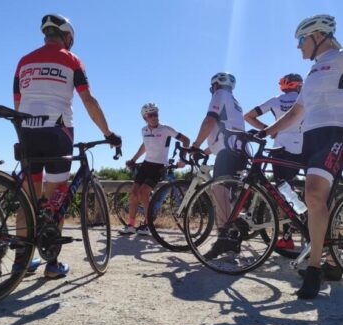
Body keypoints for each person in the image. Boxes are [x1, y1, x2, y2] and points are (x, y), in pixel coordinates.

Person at [13, 14, 121, 278]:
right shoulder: (72, 60)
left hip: (27, 130)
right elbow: (88, 100)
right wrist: (108, 133)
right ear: (68, 37)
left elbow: (18, 101)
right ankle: (52, 264)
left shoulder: (24, 61)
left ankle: (21, 263)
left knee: (27, 198)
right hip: (58, 133)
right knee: (56, 198)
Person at [259, 14, 343, 298]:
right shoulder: (314, 71)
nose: (298, 47)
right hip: (312, 135)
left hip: (335, 133)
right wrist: (265, 131)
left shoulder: (342, 58)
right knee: (306, 195)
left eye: (300, 40)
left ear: (318, 36)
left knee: (315, 194)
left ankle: (315, 270)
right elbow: (297, 111)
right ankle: (331, 260)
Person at [244, 73, 303, 249]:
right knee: (309, 188)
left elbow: (248, 116)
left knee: (283, 191)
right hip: (305, 146)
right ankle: (310, 228)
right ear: (299, 85)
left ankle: (287, 237)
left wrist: (269, 130)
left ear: (283, 86)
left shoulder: (276, 100)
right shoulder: (304, 98)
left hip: (281, 148)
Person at [191, 72, 246, 259]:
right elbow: (222, 132)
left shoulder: (219, 95)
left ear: (214, 86)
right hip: (240, 150)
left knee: (218, 190)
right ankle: (233, 236)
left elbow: (210, 121)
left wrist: (196, 145)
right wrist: (206, 151)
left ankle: (223, 238)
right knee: (229, 197)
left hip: (228, 150)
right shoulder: (234, 101)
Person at [119, 103, 189, 235]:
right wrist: (133, 159)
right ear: (145, 117)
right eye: (150, 115)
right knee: (134, 193)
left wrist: (182, 159)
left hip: (159, 166)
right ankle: (131, 226)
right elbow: (145, 146)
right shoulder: (143, 130)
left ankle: (148, 225)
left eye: (155, 114)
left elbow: (186, 140)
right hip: (146, 164)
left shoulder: (166, 129)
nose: (154, 117)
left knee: (144, 193)